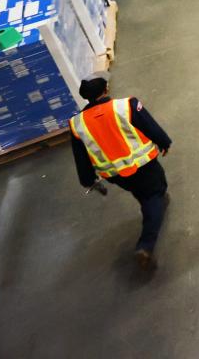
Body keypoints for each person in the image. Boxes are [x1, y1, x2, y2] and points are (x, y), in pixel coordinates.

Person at [70, 74, 173, 271]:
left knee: (142, 193)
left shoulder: (77, 124)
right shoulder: (126, 106)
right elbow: (149, 125)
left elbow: (80, 156)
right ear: (106, 90)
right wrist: (164, 142)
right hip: (144, 165)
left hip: (116, 176)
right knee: (154, 194)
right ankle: (145, 246)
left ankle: (154, 202)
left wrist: (88, 180)